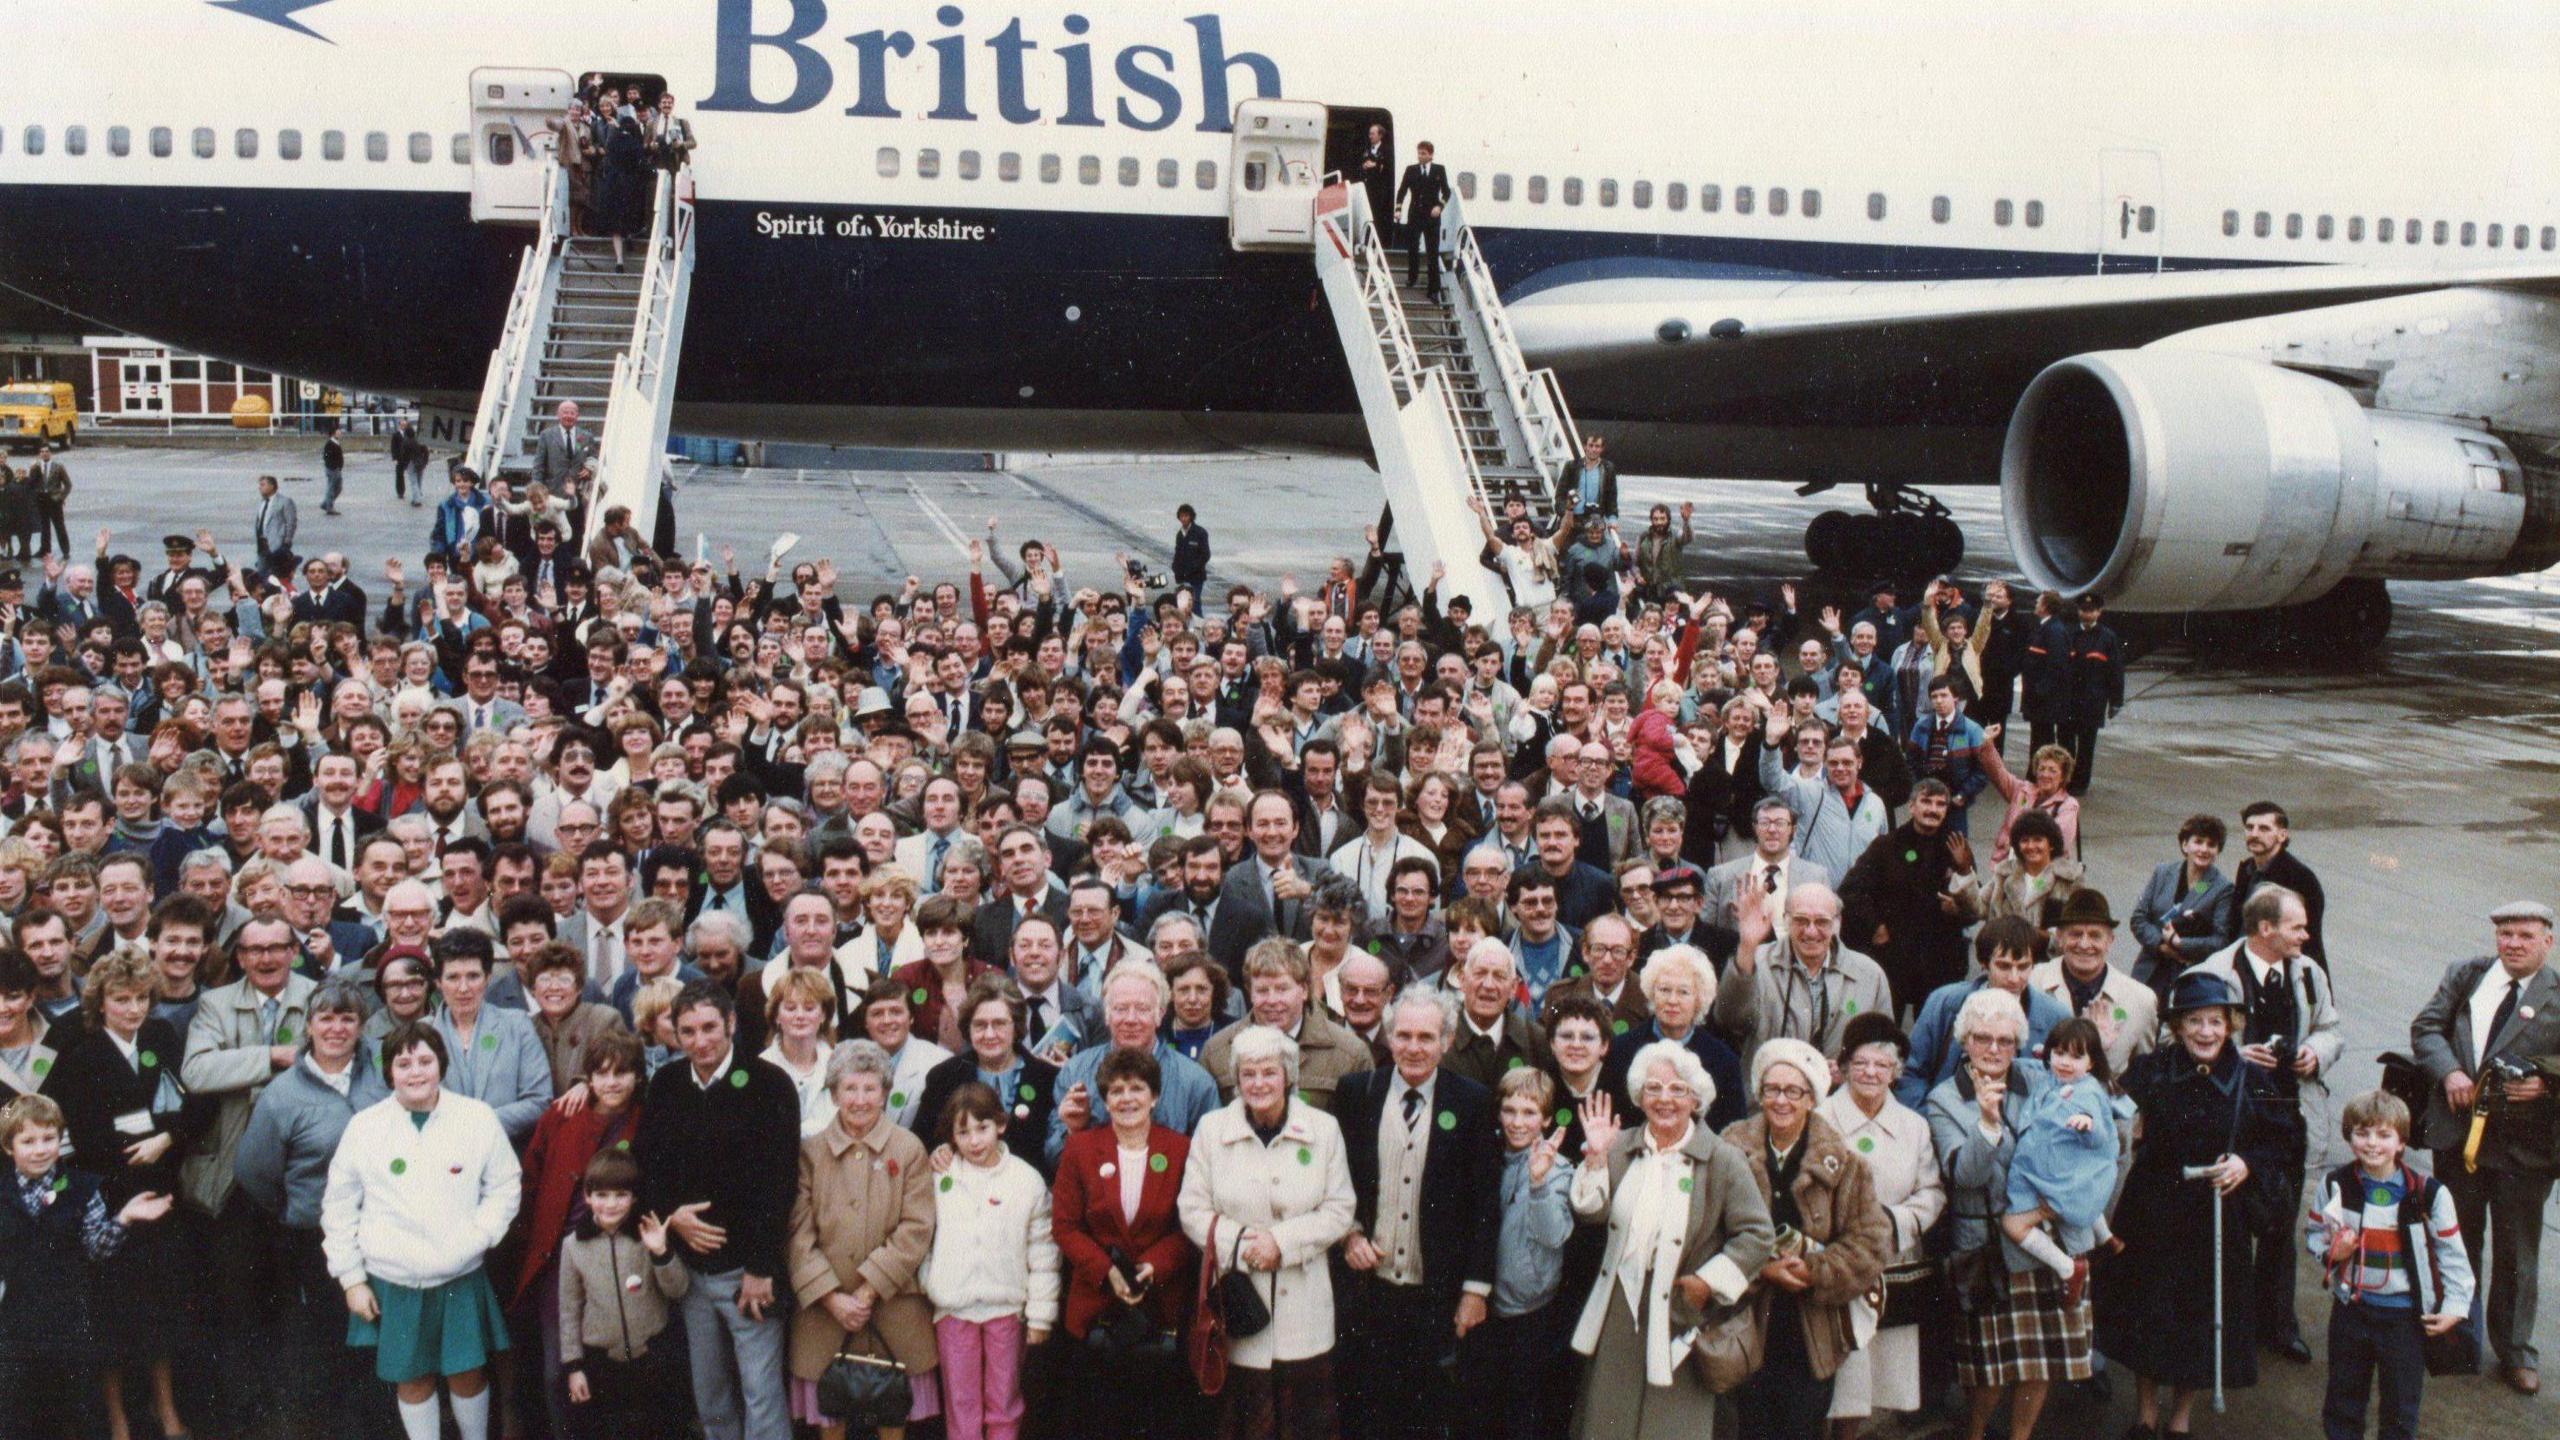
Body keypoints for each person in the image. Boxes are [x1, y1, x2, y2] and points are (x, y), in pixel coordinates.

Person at [2102, 971, 2302, 1438]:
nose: (2206, 1032)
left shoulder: (2254, 1078)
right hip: (2153, 1205)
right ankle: (2146, 1412)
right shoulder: (2153, 1068)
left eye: (2216, 1021)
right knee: (2149, 1309)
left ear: (2230, 1025)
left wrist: (2247, 1164)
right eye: (2195, 1021)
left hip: (2215, 1211)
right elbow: (2109, 1106)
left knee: (2201, 1313)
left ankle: (2181, 1415)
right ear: (2178, 1025)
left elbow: (2285, 1139)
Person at [322, 1019, 524, 1440]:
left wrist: (477, 1237)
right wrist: (352, 1280)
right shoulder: (364, 1127)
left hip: (459, 1273)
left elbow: (505, 1186)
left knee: (467, 1372)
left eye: (425, 1061)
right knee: (412, 1379)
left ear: (441, 1065)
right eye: (404, 1062)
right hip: (393, 1279)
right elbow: (339, 1206)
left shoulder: (477, 1117)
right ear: (389, 1072)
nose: (415, 1072)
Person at [1565, 1037, 1773, 1440]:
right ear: (1639, 1098)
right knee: (1609, 1422)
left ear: (1696, 1100)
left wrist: (1706, 1285)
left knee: (1672, 1426)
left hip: (1680, 1311)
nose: (1665, 1099)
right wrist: (1594, 1158)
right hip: (1619, 1307)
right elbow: (1589, 1212)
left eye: (1678, 1090)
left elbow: (1757, 1235)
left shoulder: (1722, 1158)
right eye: (1654, 1089)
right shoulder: (1619, 1146)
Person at [40, 948, 204, 1440]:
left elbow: (195, 1102)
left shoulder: (161, 1036)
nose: (132, 1009)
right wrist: (139, 1138)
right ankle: (118, 1420)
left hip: (161, 1187)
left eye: (141, 999)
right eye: (121, 999)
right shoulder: (75, 1042)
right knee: (109, 1313)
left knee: (162, 1307)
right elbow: (76, 1125)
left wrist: (165, 1137)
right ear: (101, 1000)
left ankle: (166, 1411)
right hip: (106, 1193)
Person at [634, 981, 802, 1440]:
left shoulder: (769, 1083)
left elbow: (780, 1182)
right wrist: (673, 1218)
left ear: (730, 1024)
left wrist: (762, 1266)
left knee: (761, 1394)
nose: (700, 1040)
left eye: (710, 1027)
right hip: (691, 1276)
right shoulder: (667, 1084)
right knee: (710, 1396)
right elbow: (647, 1167)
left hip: (748, 1274)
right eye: (687, 1031)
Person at [1332, 984, 1501, 1440]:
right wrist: (1349, 1234)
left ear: (1446, 1041)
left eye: (1426, 1037)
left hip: (1436, 1295)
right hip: (1369, 1291)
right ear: (1388, 1038)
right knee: (1364, 1415)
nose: (1413, 1048)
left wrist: (1475, 1290)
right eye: (1403, 1036)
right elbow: (1335, 1181)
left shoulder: (1472, 1101)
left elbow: (1486, 1201)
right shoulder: (1355, 1094)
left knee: (1425, 1419)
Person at [2408, 898, 2560, 1395]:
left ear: (2547, 941)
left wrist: (2546, 1083)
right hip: (2459, 1138)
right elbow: (2426, 1028)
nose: (2513, 944)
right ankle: (2457, 1337)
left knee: (2517, 1252)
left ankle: (2516, 1351)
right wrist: (2450, 1070)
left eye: (2525, 935)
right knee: (2457, 1242)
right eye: (2505, 934)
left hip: (2525, 1149)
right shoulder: (2467, 975)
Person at [1177, 1024, 1357, 1440]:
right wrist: (1243, 1245)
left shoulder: (1323, 1128)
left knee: (1305, 1425)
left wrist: (1283, 1242)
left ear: (1288, 1075)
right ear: (1237, 1078)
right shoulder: (1211, 1129)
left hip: (1306, 1309)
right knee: (1245, 1424)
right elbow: (1192, 1209)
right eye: (1248, 1073)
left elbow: (1340, 1208)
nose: (1258, 1083)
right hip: (1239, 1306)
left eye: (1269, 1072)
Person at [2188, 883, 2339, 1365]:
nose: (2306, 935)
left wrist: (2316, 1052)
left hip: (2290, 1119)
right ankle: (2224, 1329)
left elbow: (2331, 1028)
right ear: (2265, 928)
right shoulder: (2210, 974)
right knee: (2224, 1228)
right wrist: (2231, 1054)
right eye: (2297, 926)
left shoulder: (2309, 973)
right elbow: (2183, 1040)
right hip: (2232, 1120)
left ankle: (2277, 1325)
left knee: (2281, 1223)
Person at [231, 976, 388, 1440]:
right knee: (326, 1344)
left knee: (378, 1343)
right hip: (312, 1241)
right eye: (326, 1018)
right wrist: (299, 1210)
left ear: (361, 1026)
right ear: (309, 1025)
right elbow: (255, 1172)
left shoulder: (381, 1077)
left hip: (382, 1232)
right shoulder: (283, 1095)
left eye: (347, 1018)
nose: (336, 1028)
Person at [1927, 988, 2084, 1440]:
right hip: (1988, 1248)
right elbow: (1966, 1178)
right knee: (1989, 1370)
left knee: (2040, 1362)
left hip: (2044, 1236)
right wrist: (1988, 1124)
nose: (1994, 1050)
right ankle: (1975, 1434)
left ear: (2019, 1043)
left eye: (2005, 1040)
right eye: (1982, 1039)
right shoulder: (1945, 1099)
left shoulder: (2037, 1078)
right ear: (1964, 1042)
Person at [1723, 1037, 1890, 1440]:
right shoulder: (1729, 1151)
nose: (1782, 1101)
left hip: (1811, 1329)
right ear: (1760, 1093)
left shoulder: (1846, 1164)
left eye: (1794, 1091)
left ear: (1812, 1098)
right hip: (1745, 1322)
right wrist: (1762, 1269)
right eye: (1772, 1089)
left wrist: (1814, 1269)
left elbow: (1870, 1244)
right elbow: (1709, 1232)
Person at [784, 1040, 939, 1440]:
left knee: (892, 1413)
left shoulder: (908, 1149)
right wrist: (832, 1298)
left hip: (892, 1307)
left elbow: (916, 1227)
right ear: (833, 1094)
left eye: (870, 1089)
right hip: (824, 1312)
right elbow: (798, 1234)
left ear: (885, 1093)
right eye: (849, 1089)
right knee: (830, 1414)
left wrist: (868, 1291)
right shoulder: (811, 1153)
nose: (860, 1099)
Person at [0, 1092, 175, 1439]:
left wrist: (124, 1218)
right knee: (19, 1413)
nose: (40, 1149)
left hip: (72, 1322)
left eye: (49, 1139)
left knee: (81, 1412)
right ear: (9, 1147)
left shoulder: (83, 1188)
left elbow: (96, 1248)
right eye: (28, 1141)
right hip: (17, 1326)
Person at [1049, 1045, 1197, 1440]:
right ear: (1105, 1099)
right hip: (1097, 1308)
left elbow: (1191, 1226)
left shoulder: (1180, 1150)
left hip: (1159, 1310)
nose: (1127, 1098)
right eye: (1116, 1090)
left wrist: (1154, 1266)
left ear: (1155, 1096)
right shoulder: (1080, 1149)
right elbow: (1064, 1226)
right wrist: (1108, 1272)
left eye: (1136, 1088)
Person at [514, 1030, 649, 1439]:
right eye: (601, 1073)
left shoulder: (646, 1119)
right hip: (562, 1254)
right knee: (559, 1368)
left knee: (615, 1368)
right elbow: (531, 1177)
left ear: (638, 1077)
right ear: (588, 1077)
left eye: (622, 1073)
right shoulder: (563, 1115)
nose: (612, 1082)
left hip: (621, 1253)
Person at [1818, 1013, 1945, 1438]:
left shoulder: (1915, 1126)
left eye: (1882, 1065)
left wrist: (1893, 1223)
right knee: (1833, 1373)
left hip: (1891, 1261)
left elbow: (1931, 1193)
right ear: (1844, 1065)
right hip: (1832, 1263)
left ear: (1896, 1073)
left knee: (1870, 1378)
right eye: (1861, 1062)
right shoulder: (1819, 1119)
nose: (1871, 1073)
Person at [919, 1080, 1059, 1440]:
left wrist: (1041, 1314)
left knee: (1004, 1402)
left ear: (1001, 1123)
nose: (975, 1141)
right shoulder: (940, 1177)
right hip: (954, 1310)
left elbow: (1043, 1251)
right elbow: (924, 1239)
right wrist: (930, 1281)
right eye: (962, 1132)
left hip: (1006, 1310)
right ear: (951, 1136)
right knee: (961, 1402)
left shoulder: (1026, 1181)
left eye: (982, 1128)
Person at [1460, 1065, 1574, 1440]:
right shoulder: (1490, 1156)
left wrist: (1538, 1184)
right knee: (1480, 1408)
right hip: (1489, 1305)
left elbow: (1554, 1234)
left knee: (1522, 1412)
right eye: (1510, 1111)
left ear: (1545, 1118)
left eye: (1529, 1113)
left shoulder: (1556, 1170)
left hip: (1531, 1310)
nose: (1518, 1122)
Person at [557, 1148, 690, 1439]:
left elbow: (678, 1288)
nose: (611, 1204)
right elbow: (569, 1309)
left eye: (621, 1195)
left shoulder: (647, 1235)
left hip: (652, 1357)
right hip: (602, 1362)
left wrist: (660, 1252)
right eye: (601, 1195)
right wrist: (574, 1366)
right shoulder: (574, 1245)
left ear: (634, 1197)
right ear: (587, 1196)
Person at [1996, 1017, 2128, 1302]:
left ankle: (2068, 1268)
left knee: (2012, 1223)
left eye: (2076, 1056)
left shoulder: (2088, 1092)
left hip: (2058, 1180)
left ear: (2091, 1063)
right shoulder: (2052, 1079)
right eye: (2059, 1053)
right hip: (2050, 1170)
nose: (2066, 1062)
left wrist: (2087, 1122)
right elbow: (2034, 1068)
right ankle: (2106, 1239)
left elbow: (2099, 1131)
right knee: (2083, 1198)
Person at [1716, 883, 1893, 1076]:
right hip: (1771, 1097)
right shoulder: (1755, 960)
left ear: (1837, 923)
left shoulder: (1869, 974)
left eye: (1822, 922)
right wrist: (1747, 946)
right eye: (1801, 920)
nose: (1810, 931)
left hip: (1838, 1098)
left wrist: (1850, 1071)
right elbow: (1729, 1020)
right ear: (1786, 920)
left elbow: (1884, 1047)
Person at [915, 975, 1059, 1169]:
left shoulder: (1047, 1079)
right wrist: (937, 1151)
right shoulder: (943, 1077)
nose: (989, 1034)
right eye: (980, 1025)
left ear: (1016, 1026)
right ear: (968, 1027)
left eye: (999, 1023)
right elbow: (921, 1140)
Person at [2129, 814, 2238, 1003]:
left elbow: (2220, 940)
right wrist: (2162, 946)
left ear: (2218, 850)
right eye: (2198, 842)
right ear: (2185, 845)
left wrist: (2180, 945)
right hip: (2150, 968)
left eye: (2211, 844)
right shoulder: (2163, 873)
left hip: (2188, 973)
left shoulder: (2222, 888)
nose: (2204, 849)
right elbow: (2139, 918)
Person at [2232, 800, 2329, 971]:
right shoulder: (2247, 869)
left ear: (2282, 835)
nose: (2254, 834)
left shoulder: (2300, 878)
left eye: (2264, 828)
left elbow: (2306, 940)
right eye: (2249, 827)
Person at [2050, 593, 2121, 796]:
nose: (2086, 614)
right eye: (2083, 610)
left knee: (2086, 745)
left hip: (2092, 701)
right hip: (2068, 699)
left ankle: (2080, 783)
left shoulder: (2107, 638)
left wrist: (2116, 701)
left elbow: (2115, 670)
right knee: (2065, 741)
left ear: (2099, 612)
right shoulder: (2068, 633)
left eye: (2091, 610)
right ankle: (2065, 779)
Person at [1396, 141, 1452, 301]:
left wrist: (1439, 207)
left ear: (1430, 155)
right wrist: (1398, 209)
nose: (1420, 156)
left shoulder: (1439, 170)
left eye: (1423, 154)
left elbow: (1446, 192)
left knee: (1432, 252)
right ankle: (1412, 277)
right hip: (1415, 215)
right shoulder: (1411, 170)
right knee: (1413, 247)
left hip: (1432, 217)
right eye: (1419, 153)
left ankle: (1433, 289)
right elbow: (1402, 190)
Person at [254, 472, 301, 584]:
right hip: (262, 544)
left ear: (272, 486)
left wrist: (287, 541)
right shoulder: (262, 503)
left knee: (277, 574)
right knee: (262, 573)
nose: (259, 487)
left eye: (263, 484)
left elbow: (291, 522)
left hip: (277, 544)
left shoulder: (284, 501)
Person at [1356, 122, 1394, 245]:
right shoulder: (1366, 150)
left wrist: (1375, 165)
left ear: (1380, 135)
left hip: (1380, 190)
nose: (1370, 136)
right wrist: (1364, 166)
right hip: (1367, 188)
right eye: (1369, 134)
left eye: (1372, 134)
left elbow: (1388, 168)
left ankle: (1378, 243)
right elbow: (1359, 166)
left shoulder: (1387, 150)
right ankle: (1366, 241)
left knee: (1378, 216)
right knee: (1366, 215)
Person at [319, 426, 345, 517]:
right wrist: (333, 466)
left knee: (338, 487)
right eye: (338, 432)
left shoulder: (336, 443)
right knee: (331, 488)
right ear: (334, 433)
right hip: (332, 469)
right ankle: (329, 506)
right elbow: (326, 457)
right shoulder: (330, 444)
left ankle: (326, 503)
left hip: (337, 469)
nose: (340, 433)